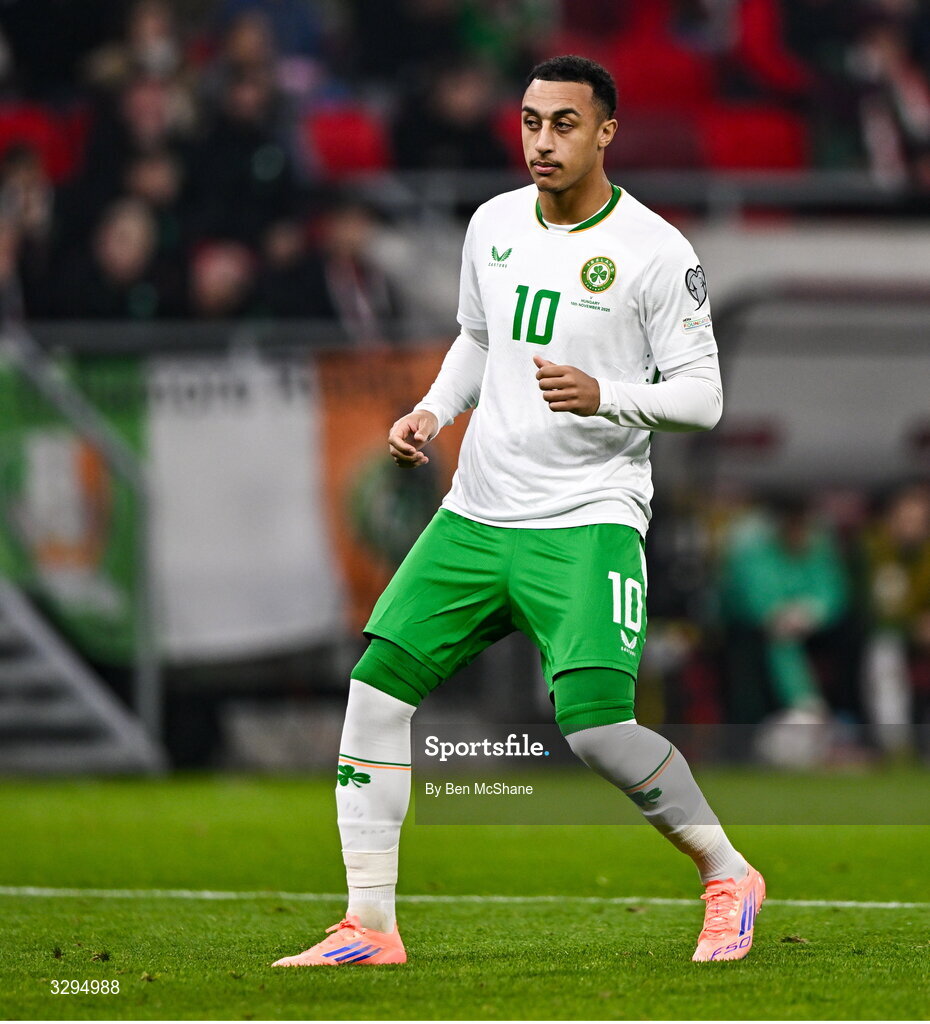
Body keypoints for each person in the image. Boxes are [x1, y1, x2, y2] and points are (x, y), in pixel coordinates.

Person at [272, 54, 765, 968]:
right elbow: (477, 336)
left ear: (606, 131)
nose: (543, 140)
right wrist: (432, 409)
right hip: (477, 513)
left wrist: (607, 393)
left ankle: (728, 873)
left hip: (587, 518)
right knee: (375, 693)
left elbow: (704, 399)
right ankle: (369, 926)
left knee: (597, 732)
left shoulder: (658, 252)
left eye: (565, 124)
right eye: (533, 122)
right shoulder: (493, 223)